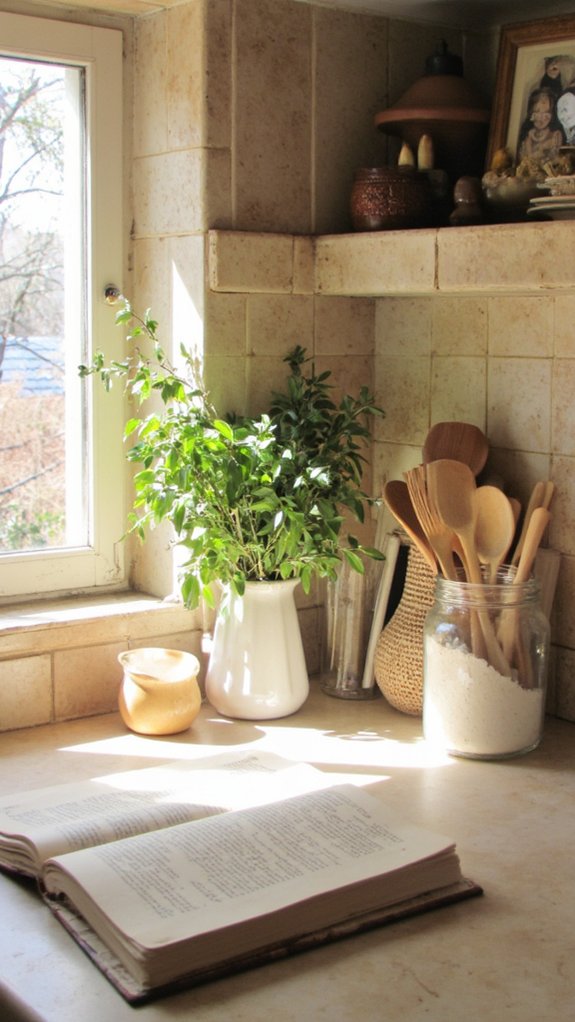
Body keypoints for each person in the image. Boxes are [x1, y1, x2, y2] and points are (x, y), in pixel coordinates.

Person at [516, 86, 565, 167]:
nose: (541, 117)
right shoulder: (526, 136)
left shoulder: (556, 136)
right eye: (537, 111)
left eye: (547, 112)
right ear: (530, 112)